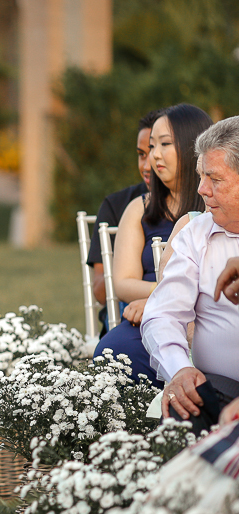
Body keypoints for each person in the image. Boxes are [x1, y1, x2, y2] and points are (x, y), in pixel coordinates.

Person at [94, 103, 212, 386]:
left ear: (191, 144)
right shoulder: (139, 208)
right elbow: (122, 282)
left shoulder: (216, 205)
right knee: (113, 351)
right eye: (150, 147)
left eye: (164, 144)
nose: (153, 157)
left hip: (205, 315)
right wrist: (159, 301)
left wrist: (162, 300)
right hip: (143, 315)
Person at [141, 115, 239, 433]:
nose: (201, 190)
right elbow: (162, 313)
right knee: (185, 406)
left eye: (215, 179)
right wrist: (180, 369)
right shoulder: (197, 234)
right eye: (200, 176)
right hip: (216, 390)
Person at [86, 109, 162, 333]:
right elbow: (101, 291)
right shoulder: (118, 205)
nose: (146, 166)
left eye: (155, 152)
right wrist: (126, 275)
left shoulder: (196, 203)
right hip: (125, 319)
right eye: (141, 154)